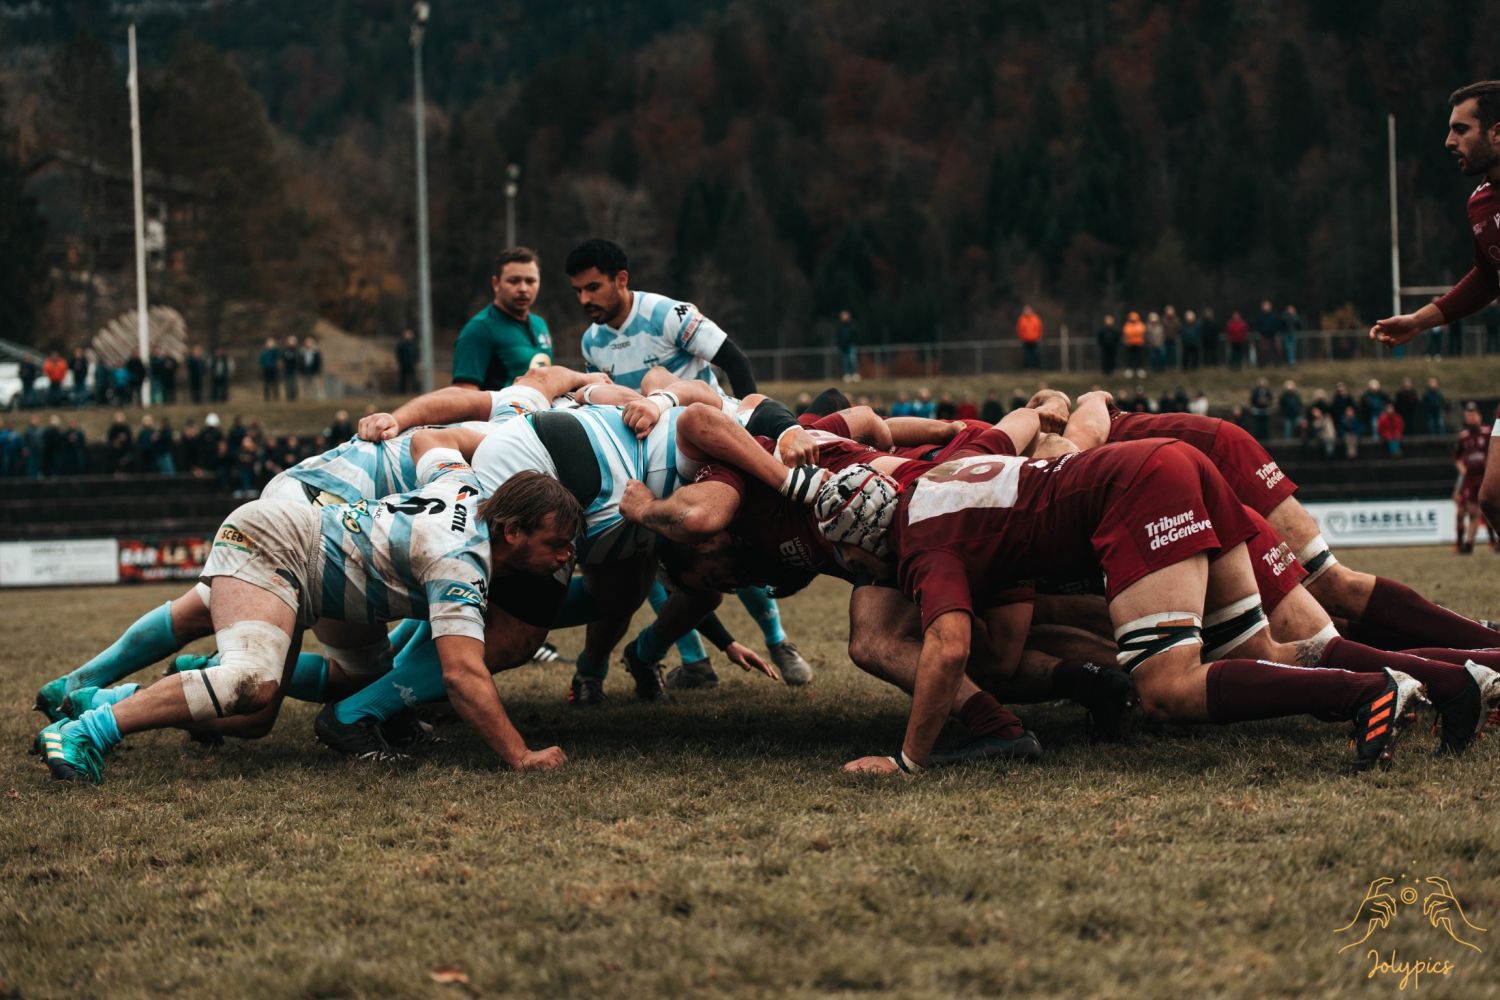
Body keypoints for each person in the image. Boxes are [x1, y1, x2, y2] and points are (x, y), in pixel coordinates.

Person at [1371, 82, 1500, 351]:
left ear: (1497, 133)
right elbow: (1488, 277)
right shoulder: (1482, 204)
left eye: (1461, 129)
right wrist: (1418, 321)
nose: (1449, 141)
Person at [452, 247, 554, 391]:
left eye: (530, 281)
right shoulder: (479, 329)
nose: (523, 288)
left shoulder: (540, 324)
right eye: (514, 281)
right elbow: (464, 394)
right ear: (496, 283)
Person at [1453, 403, 1490, 554]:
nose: (1471, 418)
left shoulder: (1488, 433)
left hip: (1484, 476)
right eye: (1468, 416)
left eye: (1473, 415)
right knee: (1465, 513)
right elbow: (1457, 457)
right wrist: (1462, 468)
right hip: (1468, 478)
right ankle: (1463, 542)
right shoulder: (1463, 437)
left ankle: (1470, 543)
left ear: (1479, 416)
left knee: (1483, 511)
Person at [835, 309, 860, 382]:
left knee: (853, 360)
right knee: (845, 361)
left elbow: (855, 334)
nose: (844, 318)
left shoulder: (852, 325)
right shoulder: (839, 326)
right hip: (843, 346)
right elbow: (838, 336)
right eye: (843, 316)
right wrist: (839, 344)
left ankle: (855, 374)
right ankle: (847, 374)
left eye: (845, 316)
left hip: (851, 345)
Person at [1016, 305, 1042, 370]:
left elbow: (1039, 328)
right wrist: (1021, 337)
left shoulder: (1035, 318)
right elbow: (1019, 329)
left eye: (1028, 310)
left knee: (1035, 354)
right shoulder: (1022, 319)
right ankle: (1027, 368)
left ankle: (1035, 367)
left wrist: (1039, 336)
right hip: (1025, 339)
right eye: (1025, 310)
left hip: (1034, 339)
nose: (1027, 312)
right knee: (1026, 354)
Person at [1121, 311, 1146, 378]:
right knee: (1130, 358)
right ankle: (1130, 370)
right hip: (1130, 344)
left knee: (1139, 357)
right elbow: (1127, 333)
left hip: (1138, 343)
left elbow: (1141, 332)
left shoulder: (1140, 324)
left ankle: (1139, 370)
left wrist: (1134, 334)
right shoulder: (1127, 325)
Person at [396, 329, 419, 393]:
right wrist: (400, 361)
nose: (408, 336)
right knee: (403, 378)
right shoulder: (401, 344)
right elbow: (399, 353)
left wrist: (415, 361)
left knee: (413, 378)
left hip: (412, 363)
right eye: (406, 334)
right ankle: (402, 391)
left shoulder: (413, 344)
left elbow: (416, 353)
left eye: (409, 334)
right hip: (403, 364)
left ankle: (415, 390)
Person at [281, 336, 300, 402]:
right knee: (287, 384)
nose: (291, 343)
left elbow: (298, 360)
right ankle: (288, 397)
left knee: (294, 384)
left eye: (292, 341)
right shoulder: (285, 351)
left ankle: (294, 397)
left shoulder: (296, 351)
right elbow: (282, 359)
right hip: (286, 369)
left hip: (294, 369)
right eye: (290, 341)